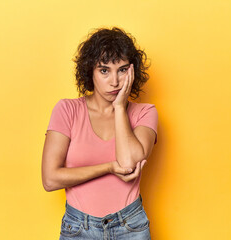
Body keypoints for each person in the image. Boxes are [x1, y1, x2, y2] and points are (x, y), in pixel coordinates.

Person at [41, 27, 158, 240]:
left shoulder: (145, 113)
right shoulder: (67, 110)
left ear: (132, 72)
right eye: (104, 70)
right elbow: (50, 179)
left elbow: (128, 163)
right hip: (78, 228)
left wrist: (120, 108)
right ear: (90, 71)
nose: (115, 81)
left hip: (130, 227)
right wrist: (108, 168)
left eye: (122, 70)